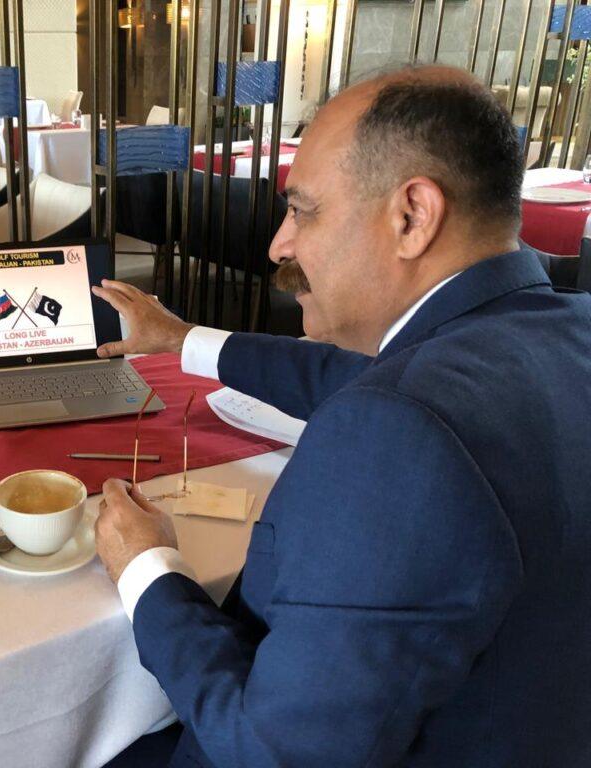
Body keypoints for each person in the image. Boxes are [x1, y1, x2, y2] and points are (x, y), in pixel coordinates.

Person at [94, 66, 591, 766]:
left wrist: (147, 568)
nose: (279, 245)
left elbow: (272, 752)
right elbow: (348, 376)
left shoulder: (401, 432)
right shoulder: (556, 332)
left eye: (303, 211)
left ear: (412, 216)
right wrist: (183, 340)